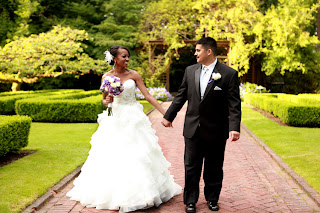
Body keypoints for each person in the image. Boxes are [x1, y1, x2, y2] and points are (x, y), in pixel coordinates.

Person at [67, 45, 181, 213]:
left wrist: (166, 113)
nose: (127, 59)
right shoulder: (106, 77)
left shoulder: (134, 75)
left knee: (138, 153)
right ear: (115, 59)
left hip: (134, 118)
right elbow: (105, 100)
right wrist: (107, 101)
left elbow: (148, 96)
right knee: (113, 154)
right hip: (114, 119)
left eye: (128, 56)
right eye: (124, 56)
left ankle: (143, 193)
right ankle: (114, 194)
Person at [162, 37, 241, 212]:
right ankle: (190, 201)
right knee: (191, 166)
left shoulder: (228, 74)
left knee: (214, 166)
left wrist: (234, 127)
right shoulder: (190, 71)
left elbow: (234, 103)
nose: (195, 53)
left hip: (217, 130)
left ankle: (212, 199)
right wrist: (169, 116)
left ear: (209, 51)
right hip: (192, 128)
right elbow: (181, 96)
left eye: (198, 50)